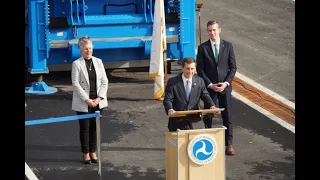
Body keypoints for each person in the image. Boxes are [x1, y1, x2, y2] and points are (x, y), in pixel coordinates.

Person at [196, 20, 237, 156]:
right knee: (208, 115)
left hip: (224, 87)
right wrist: (209, 84)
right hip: (210, 88)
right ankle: (208, 141)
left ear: (219, 30)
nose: (212, 33)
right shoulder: (203, 48)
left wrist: (226, 83)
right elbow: (200, 69)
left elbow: (233, 67)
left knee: (228, 116)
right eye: (209, 30)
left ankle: (229, 144)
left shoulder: (228, 46)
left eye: (214, 30)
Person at [71, 35, 109, 164]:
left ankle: (93, 151)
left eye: (90, 48)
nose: (89, 51)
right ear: (81, 49)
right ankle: (85, 153)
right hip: (83, 102)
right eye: (86, 48)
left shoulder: (99, 61)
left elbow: (105, 81)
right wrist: (87, 99)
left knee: (95, 128)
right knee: (85, 128)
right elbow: (75, 84)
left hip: (98, 101)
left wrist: (99, 98)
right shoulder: (76, 64)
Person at [163, 57, 220, 131]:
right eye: (187, 68)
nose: (190, 71)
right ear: (182, 68)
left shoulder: (200, 81)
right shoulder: (172, 82)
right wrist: (170, 109)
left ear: (195, 69)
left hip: (194, 121)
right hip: (177, 121)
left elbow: (205, 95)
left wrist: (212, 106)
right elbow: (168, 99)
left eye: (192, 69)